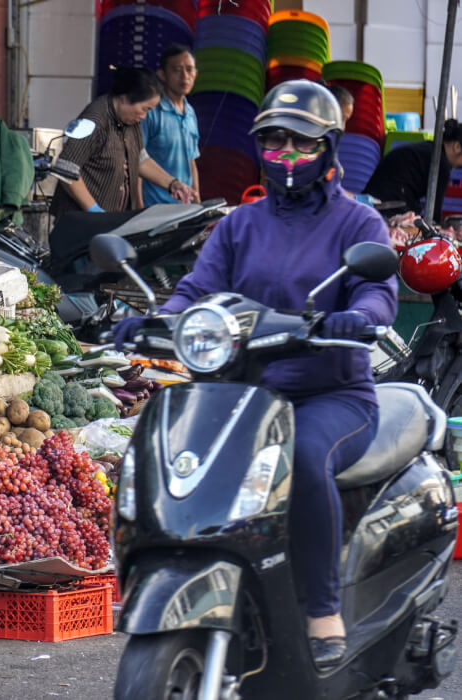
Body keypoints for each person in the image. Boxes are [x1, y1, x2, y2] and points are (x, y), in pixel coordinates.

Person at [114, 80, 397, 669]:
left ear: (328, 148)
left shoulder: (357, 224)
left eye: (299, 143)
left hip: (332, 394)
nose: (286, 155)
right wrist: (153, 320)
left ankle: (322, 610)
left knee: (305, 458)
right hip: (245, 394)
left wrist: (358, 317)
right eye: (273, 143)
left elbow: (377, 292)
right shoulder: (240, 225)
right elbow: (195, 290)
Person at [51, 66, 192, 218]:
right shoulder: (94, 120)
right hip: (80, 222)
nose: (144, 116)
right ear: (124, 98)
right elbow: (66, 168)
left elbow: (140, 160)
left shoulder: (131, 121)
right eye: (144, 109)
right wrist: (94, 210)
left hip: (111, 219)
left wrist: (172, 183)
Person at [362, 119, 462, 221]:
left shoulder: (430, 149)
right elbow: (434, 214)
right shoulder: (440, 163)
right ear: (457, 147)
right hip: (388, 204)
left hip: (376, 198)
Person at [142, 44, 201, 205]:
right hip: (153, 209)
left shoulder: (190, 113)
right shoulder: (150, 112)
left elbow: (191, 161)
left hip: (183, 209)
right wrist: (137, 208)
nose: (184, 76)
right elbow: (137, 160)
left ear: (196, 74)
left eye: (189, 70)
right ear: (162, 74)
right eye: (177, 70)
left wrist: (197, 205)